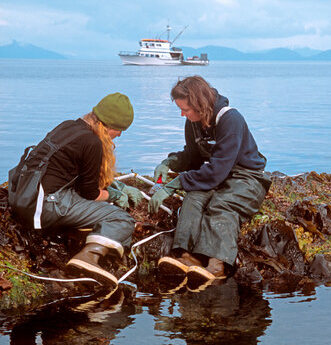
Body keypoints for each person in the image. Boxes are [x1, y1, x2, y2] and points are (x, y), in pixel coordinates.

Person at [148, 76, 271, 287]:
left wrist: (174, 184)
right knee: (194, 197)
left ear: (199, 104)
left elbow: (216, 171)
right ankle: (186, 255)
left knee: (222, 204)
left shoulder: (231, 120)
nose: (182, 114)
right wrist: (171, 162)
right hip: (218, 172)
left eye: (185, 109)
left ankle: (218, 264)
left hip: (247, 177)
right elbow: (194, 156)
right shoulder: (193, 122)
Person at [9, 93, 142, 287]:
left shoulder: (68, 126)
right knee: (121, 218)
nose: (119, 135)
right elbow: (89, 193)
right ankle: (88, 258)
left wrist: (113, 186)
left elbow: (76, 177)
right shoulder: (92, 142)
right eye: (119, 129)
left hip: (23, 197)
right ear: (108, 125)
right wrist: (114, 194)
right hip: (45, 207)